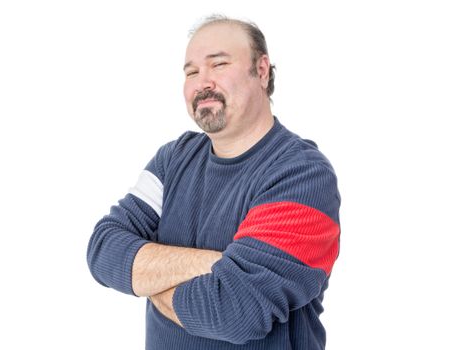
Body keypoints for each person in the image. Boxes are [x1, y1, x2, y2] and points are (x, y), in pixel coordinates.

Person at [87, 15, 341, 350]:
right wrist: (218, 264)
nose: (202, 82)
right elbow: (103, 249)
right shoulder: (172, 160)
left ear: (262, 71)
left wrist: (146, 278)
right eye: (191, 72)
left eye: (218, 64)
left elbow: (233, 312)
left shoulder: (303, 175)